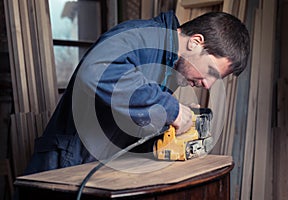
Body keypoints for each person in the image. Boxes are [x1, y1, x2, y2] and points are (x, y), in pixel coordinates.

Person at [25, 10, 250, 174]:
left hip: (98, 166)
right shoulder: (140, 37)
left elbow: (127, 114)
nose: (208, 85)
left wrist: (167, 128)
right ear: (195, 42)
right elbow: (95, 71)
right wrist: (171, 109)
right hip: (63, 163)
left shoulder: (167, 65)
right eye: (210, 71)